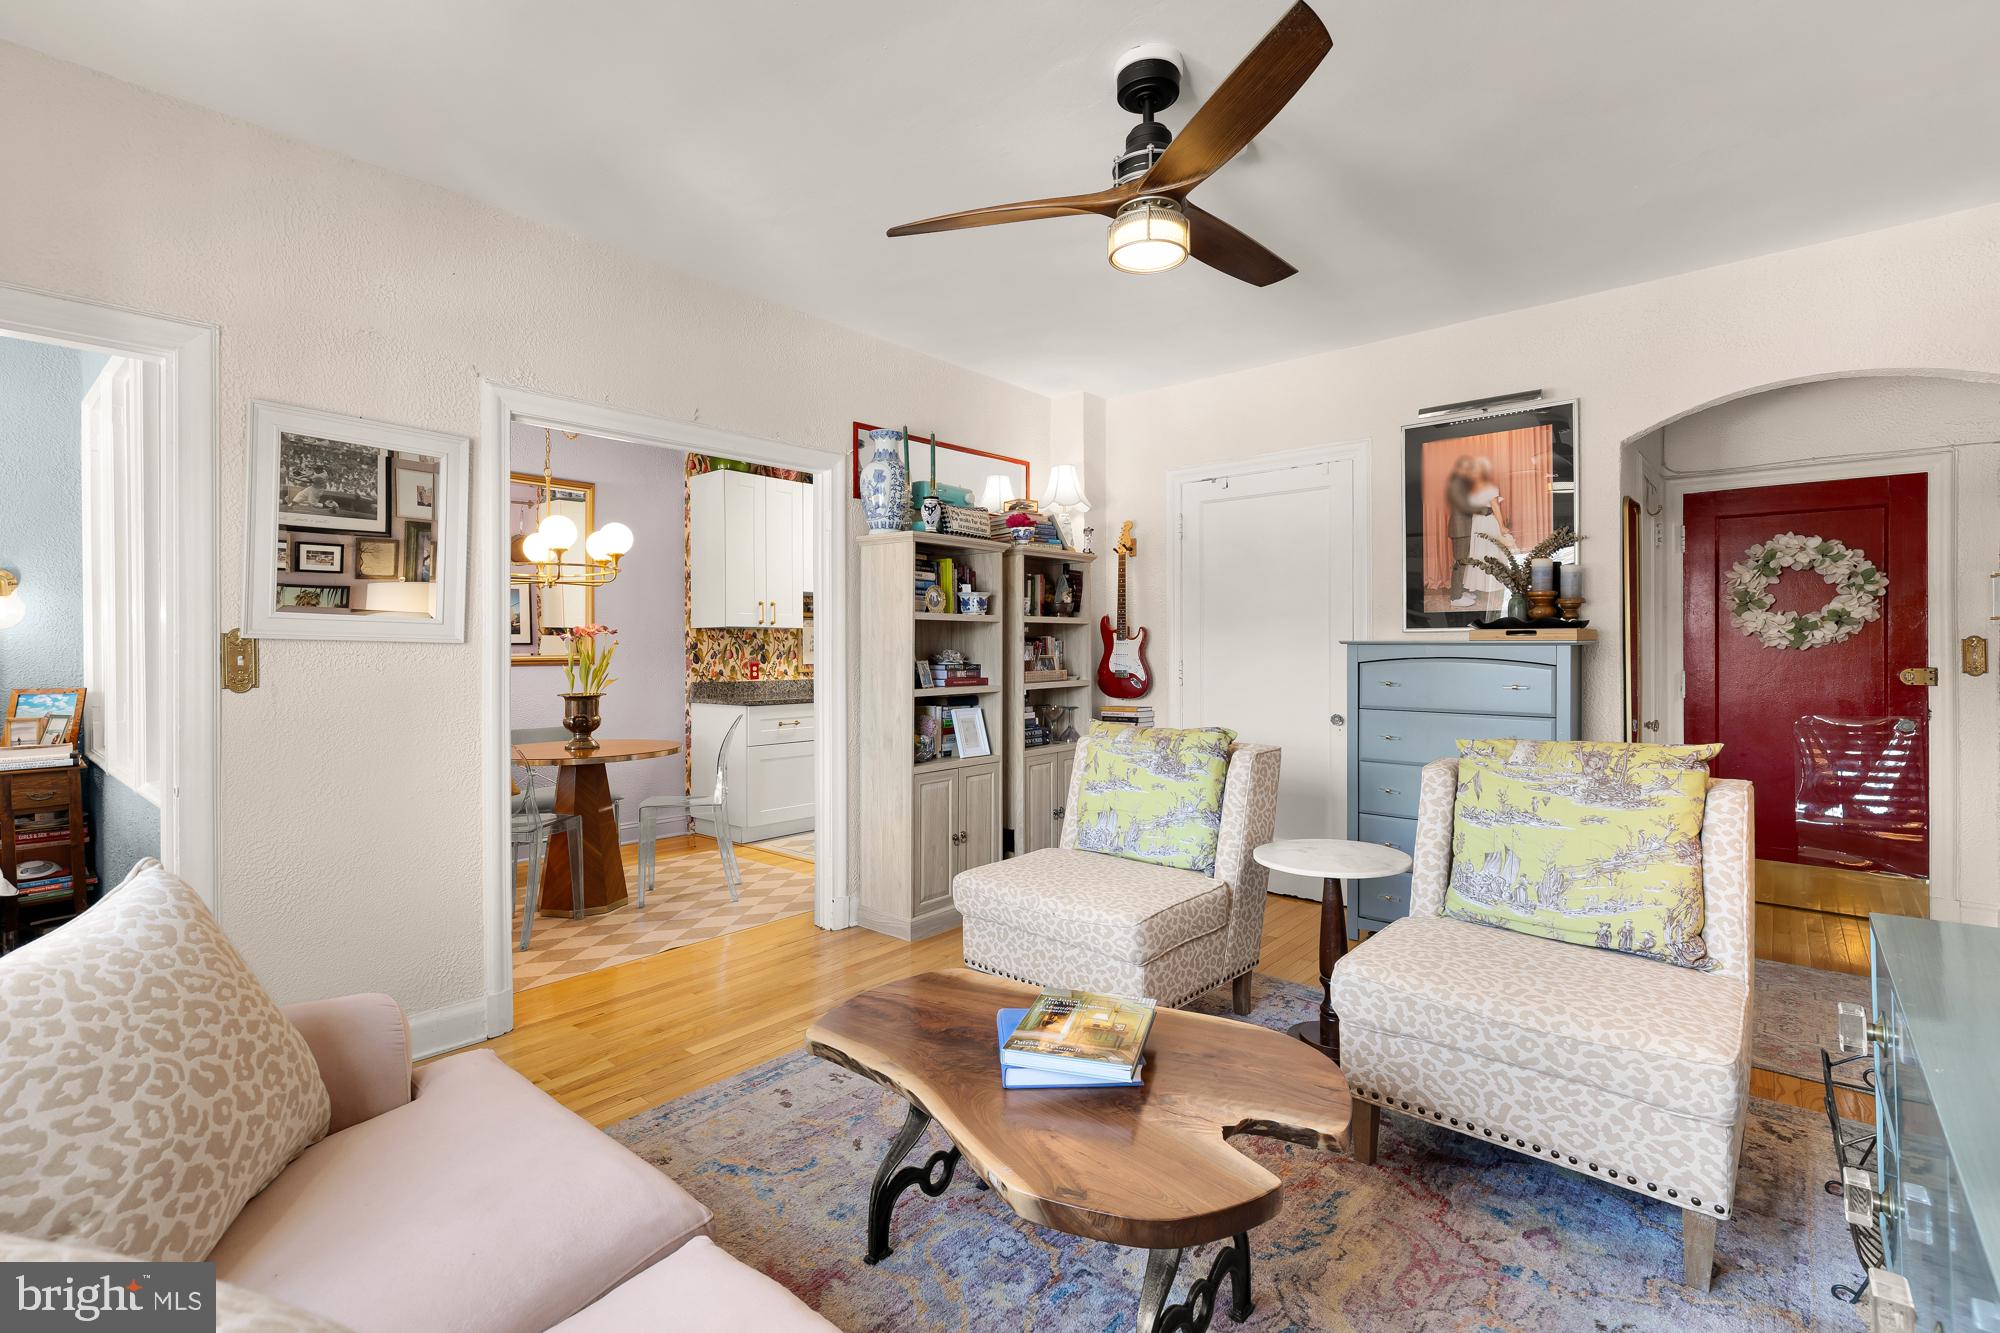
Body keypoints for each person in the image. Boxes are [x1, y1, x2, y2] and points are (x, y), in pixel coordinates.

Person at [1460, 457, 1517, 610]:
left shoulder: (1489, 487)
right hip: (1477, 523)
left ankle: (1495, 590)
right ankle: (1484, 589)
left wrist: (1502, 526)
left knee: (1490, 553)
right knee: (1480, 554)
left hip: (1488, 523)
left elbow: (1495, 507)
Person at [1444, 455, 1491, 609]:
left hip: (1465, 528)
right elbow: (1464, 505)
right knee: (1460, 562)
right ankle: (1455, 597)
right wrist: (1485, 510)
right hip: (1460, 529)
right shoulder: (1456, 483)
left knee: (1464, 562)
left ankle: (1460, 591)